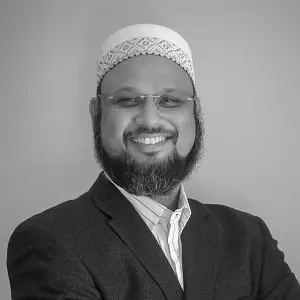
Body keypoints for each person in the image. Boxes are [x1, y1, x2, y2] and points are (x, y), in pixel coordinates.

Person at [6, 23, 300, 300]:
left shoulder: (248, 237)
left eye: (170, 101)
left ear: (195, 113)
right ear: (97, 114)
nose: (149, 120)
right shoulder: (49, 241)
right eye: (127, 100)